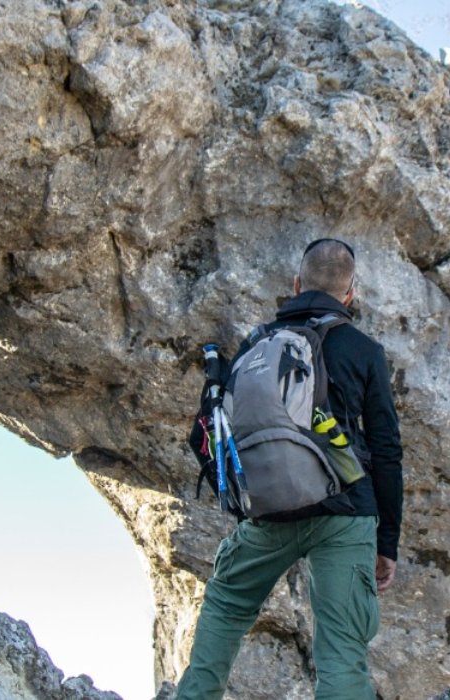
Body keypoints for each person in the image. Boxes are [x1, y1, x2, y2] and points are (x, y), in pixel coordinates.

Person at [174, 238, 405, 699]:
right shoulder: (363, 350)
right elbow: (387, 450)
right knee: (341, 652)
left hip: (269, 509)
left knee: (226, 603)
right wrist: (387, 542)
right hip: (345, 514)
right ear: (350, 293)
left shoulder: (256, 346)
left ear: (296, 285)